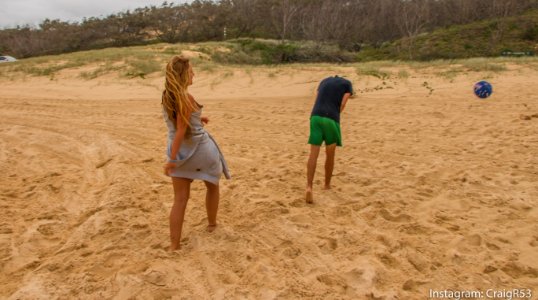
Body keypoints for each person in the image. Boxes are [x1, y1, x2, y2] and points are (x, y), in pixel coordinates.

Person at [161, 55, 231, 251]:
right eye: (191, 71)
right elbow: (182, 129)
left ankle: (174, 245)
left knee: (180, 199)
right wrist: (171, 160)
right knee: (212, 186)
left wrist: (199, 118)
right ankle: (211, 224)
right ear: (183, 75)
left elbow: (179, 123)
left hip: (182, 155)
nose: (194, 74)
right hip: (201, 151)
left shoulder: (167, 96)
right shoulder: (187, 97)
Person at [306, 75, 353, 203]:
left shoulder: (324, 81)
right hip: (331, 119)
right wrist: (335, 114)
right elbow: (343, 103)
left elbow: (316, 99)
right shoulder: (347, 84)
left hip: (315, 116)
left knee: (313, 154)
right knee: (330, 154)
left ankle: (309, 187)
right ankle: (326, 185)